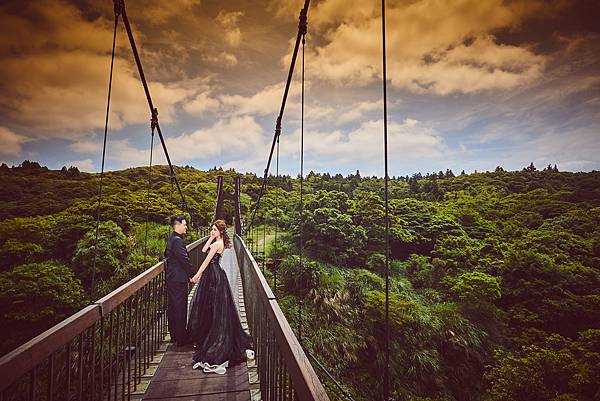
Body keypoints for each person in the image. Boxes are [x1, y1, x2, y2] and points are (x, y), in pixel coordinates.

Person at [188, 220, 254, 374]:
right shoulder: (216, 242)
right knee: (211, 306)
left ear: (221, 231)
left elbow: (206, 261)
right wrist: (211, 237)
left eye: (214, 229)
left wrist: (197, 275)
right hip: (215, 275)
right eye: (211, 228)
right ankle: (207, 334)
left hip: (213, 276)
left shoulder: (218, 245)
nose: (212, 231)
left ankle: (212, 337)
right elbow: (204, 249)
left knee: (213, 305)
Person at [164, 215, 195, 346]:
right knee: (180, 308)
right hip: (178, 279)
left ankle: (175, 335)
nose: (186, 227)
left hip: (173, 278)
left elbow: (167, 255)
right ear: (177, 225)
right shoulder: (177, 241)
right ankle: (181, 339)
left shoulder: (172, 238)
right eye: (185, 224)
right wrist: (193, 274)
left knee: (173, 307)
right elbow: (184, 259)